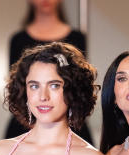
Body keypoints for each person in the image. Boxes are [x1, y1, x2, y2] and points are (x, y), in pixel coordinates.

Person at [6, 0, 92, 144]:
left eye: (54, 85)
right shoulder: (18, 40)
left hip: (70, 124)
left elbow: (78, 84)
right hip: (25, 124)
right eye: (34, 85)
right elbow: (16, 85)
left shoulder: (77, 38)